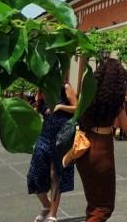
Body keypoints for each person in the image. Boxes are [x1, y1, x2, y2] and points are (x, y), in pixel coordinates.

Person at [75, 58, 127, 222]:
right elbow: (126, 126)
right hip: (102, 150)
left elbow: (79, 116)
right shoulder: (115, 101)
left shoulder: (89, 95)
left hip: (84, 149)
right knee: (104, 207)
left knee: (92, 205)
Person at [26, 81, 78, 222]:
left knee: (55, 174)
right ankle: (46, 205)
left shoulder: (65, 87)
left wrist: (60, 106)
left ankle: (52, 215)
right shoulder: (42, 89)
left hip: (61, 138)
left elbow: (78, 108)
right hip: (44, 137)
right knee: (33, 175)